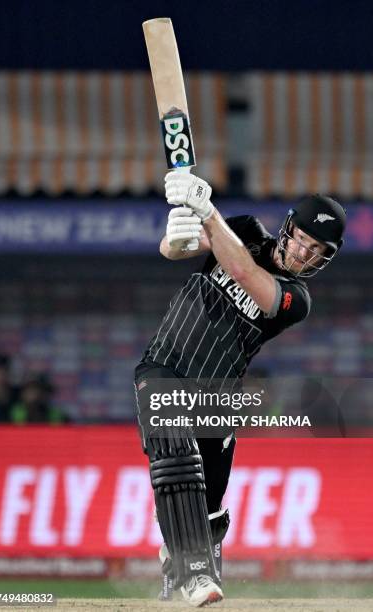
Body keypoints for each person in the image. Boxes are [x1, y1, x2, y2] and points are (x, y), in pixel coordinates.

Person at [134, 170, 346, 607]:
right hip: (165, 365)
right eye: (302, 239)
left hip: (217, 393)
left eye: (316, 250)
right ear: (288, 228)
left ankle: (183, 568)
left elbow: (244, 272)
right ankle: (191, 571)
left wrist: (206, 209)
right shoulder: (246, 230)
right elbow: (176, 250)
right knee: (176, 459)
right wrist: (179, 232)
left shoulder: (296, 299)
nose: (303, 252)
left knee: (208, 509)